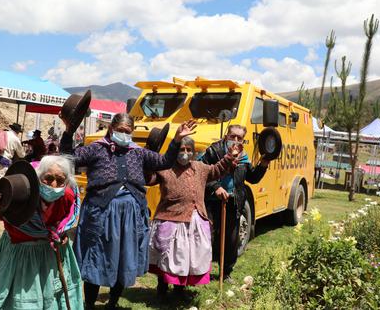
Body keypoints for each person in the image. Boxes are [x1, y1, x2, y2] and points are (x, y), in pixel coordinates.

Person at [60, 112, 196, 309]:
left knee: (123, 259)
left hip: (131, 216)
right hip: (102, 213)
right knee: (96, 257)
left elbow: (164, 162)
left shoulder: (138, 152)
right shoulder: (97, 149)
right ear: (111, 129)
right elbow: (68, 158)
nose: (124, 134)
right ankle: (89, 304)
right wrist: (68, 132)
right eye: (120, 130)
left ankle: (112, 303)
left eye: (128, 131)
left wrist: (176, 139)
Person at [0, 156, 84, 309]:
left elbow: (63, 223)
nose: (54, 185)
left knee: (52, 299)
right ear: (39, 177)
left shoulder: (66, 196)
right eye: (49, 178)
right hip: (19, 258)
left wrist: (62, 234)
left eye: (60, 181)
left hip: (50, 256)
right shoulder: (19, 194)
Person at [146, 136, 238, 295]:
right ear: (175, 151)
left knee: (186, 257)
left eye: (189, 150)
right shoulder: (165, 168)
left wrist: (230, 157)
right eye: (182, 149)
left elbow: (217, 170)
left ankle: (179, 289)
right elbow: (149, 179)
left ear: (194, 153)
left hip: (194, 220)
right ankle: (162, 287)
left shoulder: (200, 168)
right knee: (167, 256)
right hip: (170, 219)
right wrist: (148, 162)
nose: (185, 153)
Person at [202, 125, 270, 282]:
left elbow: (252, 178)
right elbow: (202, 172)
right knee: (208, 237)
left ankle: (225, 273)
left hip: (234, 202)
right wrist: (215, 187)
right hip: (212, 201)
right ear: (226, 136)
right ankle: (203, 272)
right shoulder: (214, 151)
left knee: (231, 240)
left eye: (240, 138)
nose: (236, 140)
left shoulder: (244, 157)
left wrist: (263, 164)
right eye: (233, 136)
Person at [0, 123, 26, 194]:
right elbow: (21, 154)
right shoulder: (15, 139)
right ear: (18, 131)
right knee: (1, 175)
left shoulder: (4, 134)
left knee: (0, 173)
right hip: (5, 158)